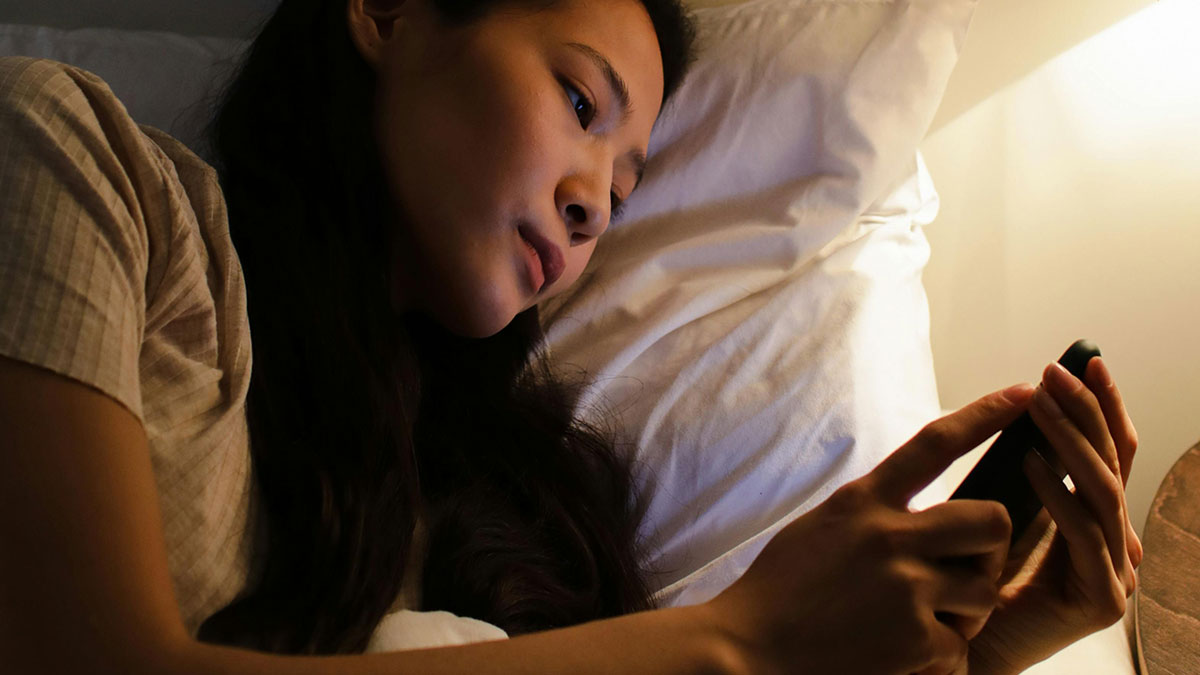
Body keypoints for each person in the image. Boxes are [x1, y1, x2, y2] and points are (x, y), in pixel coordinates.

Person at [0, 0, 1142, 672]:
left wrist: (983, 653)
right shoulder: (77, 167)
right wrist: (742, 641)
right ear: (389, 13)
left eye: (624, 190)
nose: (595, 203)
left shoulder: (467, 504)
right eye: (583, 105)